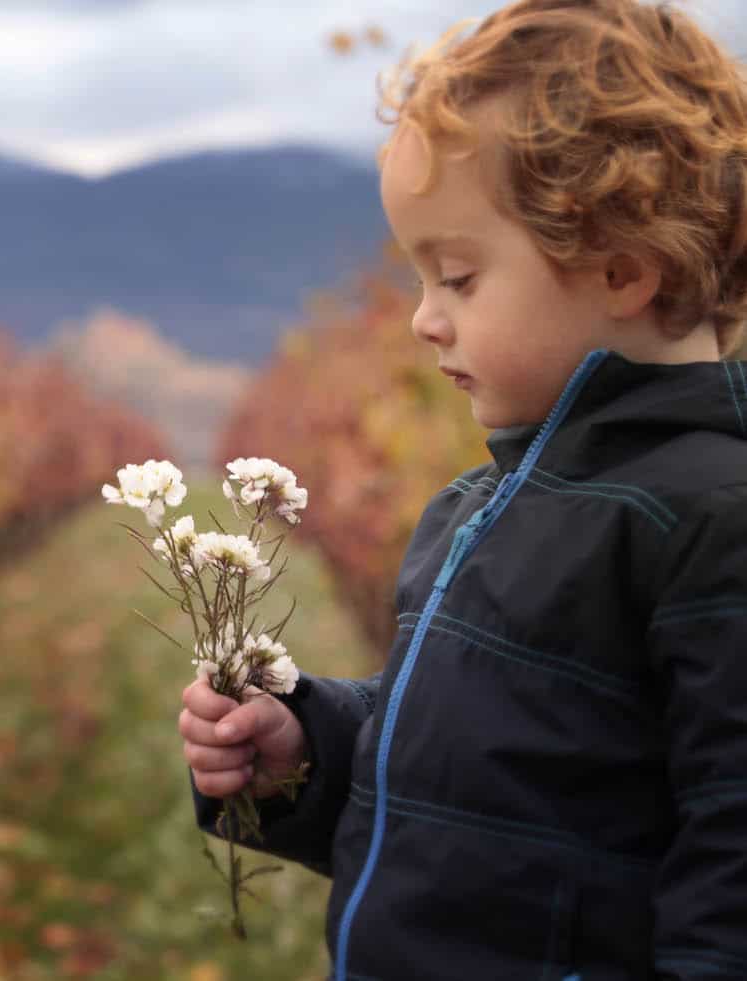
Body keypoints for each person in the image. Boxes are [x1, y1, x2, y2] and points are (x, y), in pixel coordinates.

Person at [180, 1, 747, 977]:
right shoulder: (475, 508)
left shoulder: (708, 520)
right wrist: (304, 751)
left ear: (621, 266)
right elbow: (462, 785)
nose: (423, 321)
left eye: (457, 278)